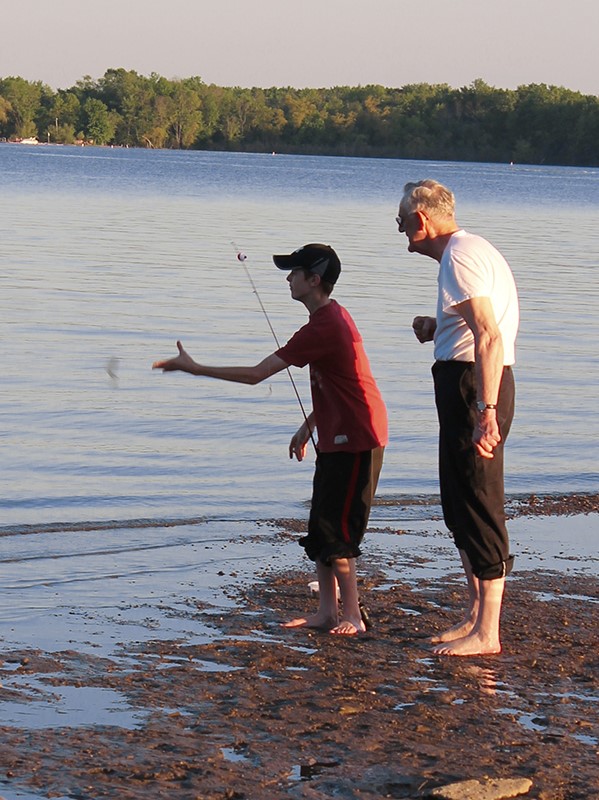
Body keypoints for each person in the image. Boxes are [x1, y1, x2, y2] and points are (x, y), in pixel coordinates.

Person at [153, 243, 388, 636]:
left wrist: (196, 369)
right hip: (336, 433)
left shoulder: (326, 325)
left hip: (359, 438)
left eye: (294, 272)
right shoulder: (326, 320)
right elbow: (343, 382)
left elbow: (256, 375)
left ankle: (352, 616)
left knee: (338, 530)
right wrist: (310, 425)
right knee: (320, 525)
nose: (288, 278)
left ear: (314, 280)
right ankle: (327, 612)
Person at [396, 180, 519, 656]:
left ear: (421, 219)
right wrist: (438, 327)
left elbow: (489, 335)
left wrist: (486, 412)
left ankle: (488, 633)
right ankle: (474, 615)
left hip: (476, 389)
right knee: (458, 503)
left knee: (479, 500)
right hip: (466, 384)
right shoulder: (467, 252)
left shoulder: (460, 256)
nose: (401, 231)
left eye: (401, 222)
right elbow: (477, 327)